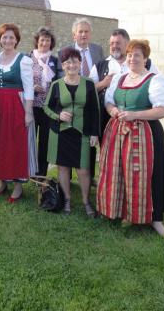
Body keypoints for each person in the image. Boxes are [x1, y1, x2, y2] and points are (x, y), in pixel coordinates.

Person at [97, 39, 164, 240]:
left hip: (145, 135)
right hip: (117, 131)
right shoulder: (119, 78)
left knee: (146, 175)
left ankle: (155, 219)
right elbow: (109, 102)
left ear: (145, 58)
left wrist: (134, 115)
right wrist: (113, 111)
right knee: (117, 171)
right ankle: (120, 212)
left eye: (137, 55)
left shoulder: (155, 79)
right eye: (130, 55)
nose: (132, 58)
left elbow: (162, 110)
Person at [43, 48, 100, 216]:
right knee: (63, 168)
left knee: (83, 170)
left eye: (75, 61)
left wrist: (95, 133)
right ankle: (67, 199)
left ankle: (85, 201)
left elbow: (95, 110)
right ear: (63, 65)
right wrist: (58, 115)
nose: (72, 65)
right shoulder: (56, 84)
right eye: (67, 62)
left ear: (80, 63)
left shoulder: (89, 83)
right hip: (61, 134)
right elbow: (46, 106)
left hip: (82, 132)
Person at [0, 23, 35, 202]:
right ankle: (2, 181)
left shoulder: (23, 60)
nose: (8, 40)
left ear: (17, 40)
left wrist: (28, 112)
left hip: (15, 105)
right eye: (4, 37)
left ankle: (17, 185)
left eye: (11, 37)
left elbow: (29, 87)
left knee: (14, 143)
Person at [90, 28, 158, 139]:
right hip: (107, 118)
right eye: (111, 43)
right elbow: (89, 91)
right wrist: (103, 83)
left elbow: (154, 85)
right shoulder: (100, 65)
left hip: (139, 123)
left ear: (128, 44)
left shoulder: (146, 63)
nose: (114, 46)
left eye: (118, 43)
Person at [58, 18, 104, 180]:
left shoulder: (98, 50)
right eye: (80, 32)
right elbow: (59, 77)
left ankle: (88, 176)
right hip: (70, 104)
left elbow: (101, 73)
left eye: (86, 31)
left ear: (90, 34)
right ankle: (67, 177)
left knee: (89, 141)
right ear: (74, 35)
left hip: (90, 103)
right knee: (69, 138)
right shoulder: (64, 51)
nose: (83, 34)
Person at [29, 27, 58, 176]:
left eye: (48, 40)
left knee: (45, 142)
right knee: (30, 140)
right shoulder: (28, 58)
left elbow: (59, 82)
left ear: (51, 43)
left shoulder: (55, 60)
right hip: (32, 106)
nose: (45, 43)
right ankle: (29, 169)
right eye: (42, 40)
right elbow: (22, 79)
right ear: (37, 41)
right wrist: (33, 87)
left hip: (48, 108)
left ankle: (41, 172)